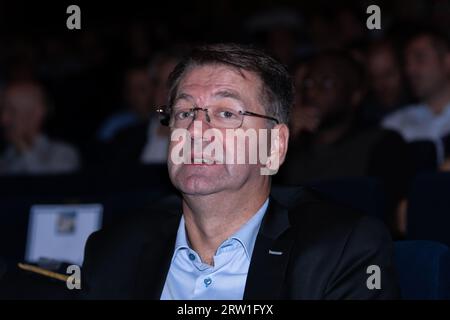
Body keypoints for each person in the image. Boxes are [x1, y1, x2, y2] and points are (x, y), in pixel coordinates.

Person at [82, 44, 399, 299]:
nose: (196, 129)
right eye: (185, 111)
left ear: (274, 146)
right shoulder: (114, 249)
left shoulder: (341, 250)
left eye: (225, 113)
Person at [382, 27, 450, 164]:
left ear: (447, 61)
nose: (410, 70)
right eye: (407, 63)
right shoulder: (394, 124)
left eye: (420, 58)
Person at [0, 81, 80, 175]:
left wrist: (24, 148)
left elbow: (49, 186)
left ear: (36, 114)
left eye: (12, 111)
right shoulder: (7, 156)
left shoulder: (63, 153)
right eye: (2, 111)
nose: (3, 120)